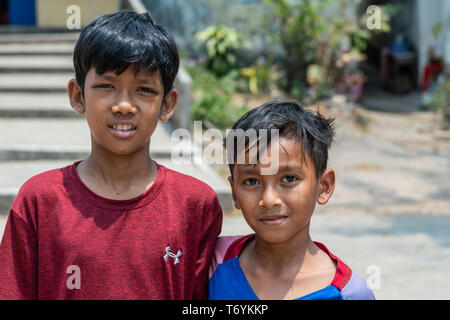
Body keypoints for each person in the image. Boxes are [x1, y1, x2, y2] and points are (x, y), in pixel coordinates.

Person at [0, 10, 222, 300]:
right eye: (106, 86)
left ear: (167, 104)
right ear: (78, 96)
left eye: (144, 89)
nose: (124, 106)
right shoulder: (39, 201)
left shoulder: (196, 205)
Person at [209, 100, 375, 300]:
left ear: (323, 187)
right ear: (234, 191)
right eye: (251, 181)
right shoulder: (211, 262)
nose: (269, 200)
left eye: (289, 179)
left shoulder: (349, 294)